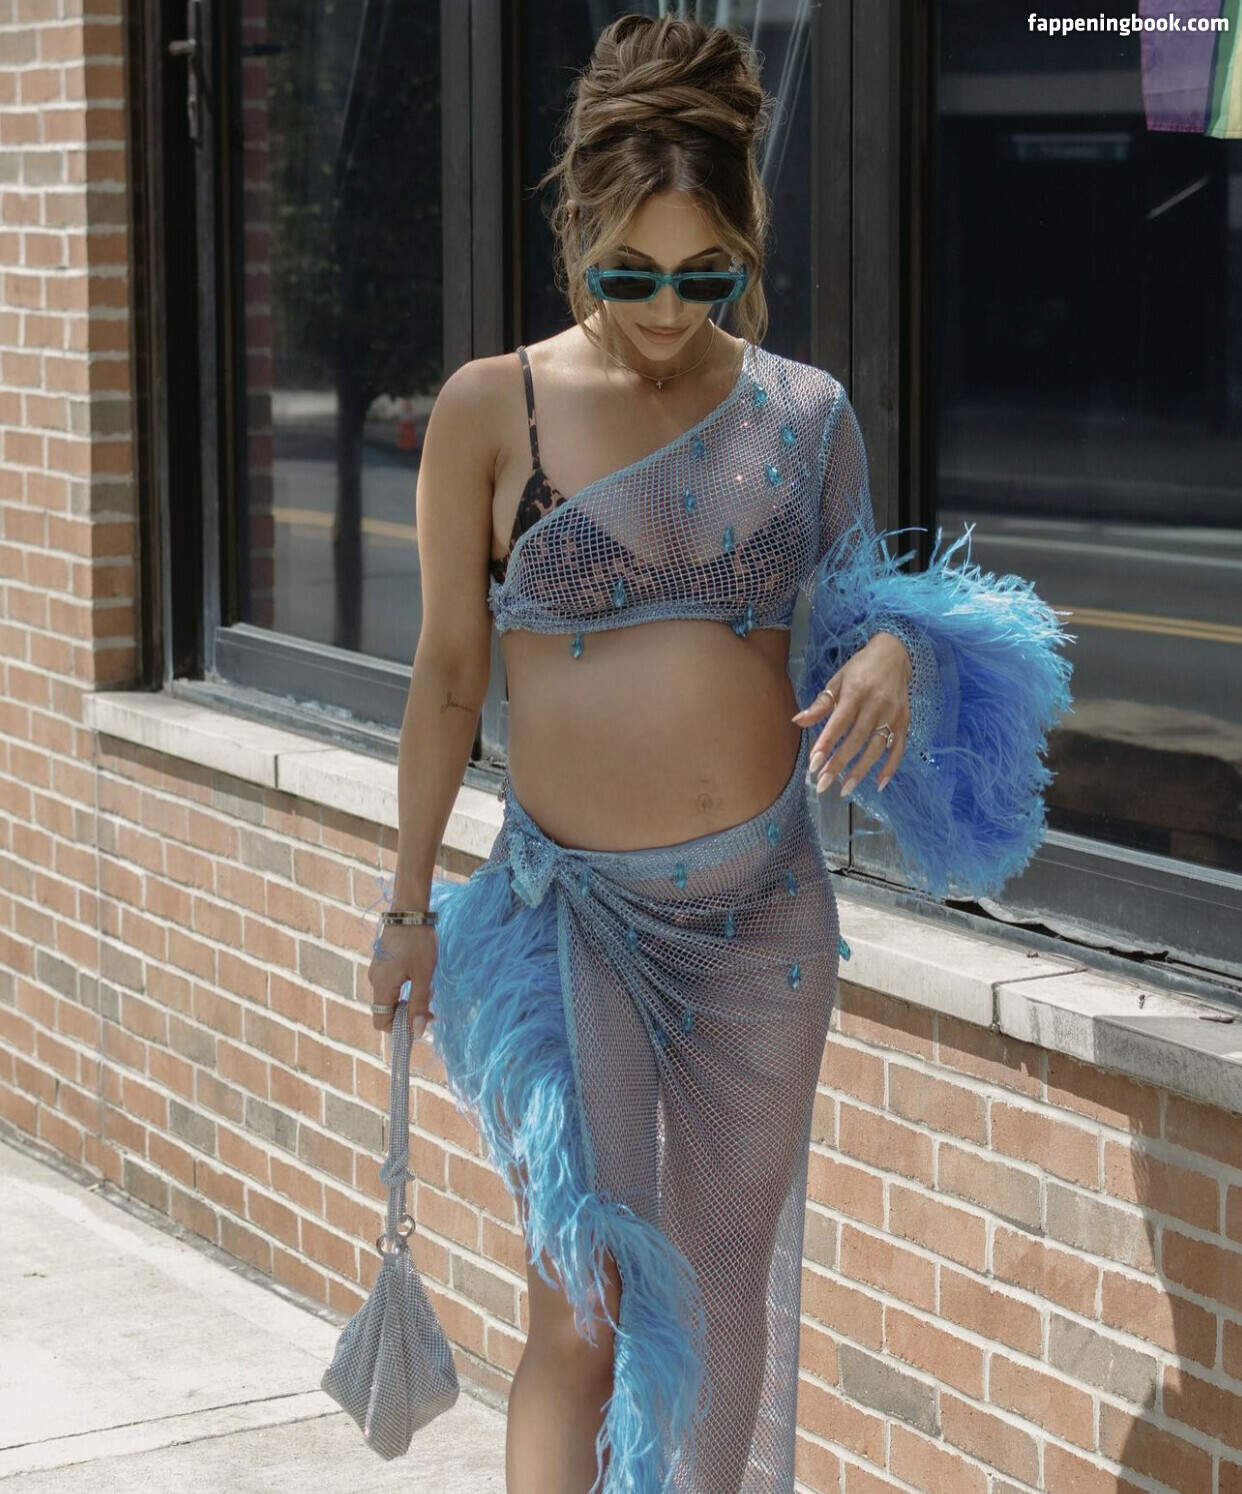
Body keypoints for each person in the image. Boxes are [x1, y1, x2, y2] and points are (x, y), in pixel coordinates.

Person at [366, 14, 1073, 1494]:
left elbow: (870, 616)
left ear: (745, 248)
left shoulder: (805, 416)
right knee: (586, 1300)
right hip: (576, 921)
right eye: (630, 273)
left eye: (706, 275)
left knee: (728, 1282)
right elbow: (445, 681)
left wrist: (894, 653)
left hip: (762, 919)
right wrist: (407, 903)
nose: (667, 309)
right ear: (576, 232)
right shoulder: (492, 409)